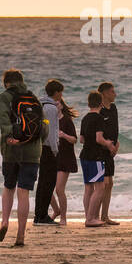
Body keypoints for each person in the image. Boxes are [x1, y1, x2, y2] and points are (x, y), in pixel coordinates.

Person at [0, 68, 47, 246]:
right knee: (23, 192)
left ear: (6, 83)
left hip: (11, 151)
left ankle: (4, 222)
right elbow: (44, 125)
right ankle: (21, 235)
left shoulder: (4, 97)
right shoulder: (34, 98)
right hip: (33, 152)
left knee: (9, 187)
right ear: (21, 81)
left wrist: (11, 137)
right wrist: (37, 142)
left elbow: (3, 120)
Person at [79, 90, 113, 228]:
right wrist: (108, 144)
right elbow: (99, 138)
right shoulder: (99, 118)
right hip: (95, 157)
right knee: (100, 187)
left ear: (88, 104)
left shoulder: (85, 118)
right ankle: (91, 218)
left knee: (88, 188)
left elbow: (81, 139)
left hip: (84, 156)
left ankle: (89, 216)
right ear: (100, 103)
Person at [33, 80, 62, 225]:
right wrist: (55, 149)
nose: (61, 95)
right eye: (61, 92)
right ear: (56, 92)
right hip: (48, 148)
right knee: (49, 182)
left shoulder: (40, 104)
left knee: (42, 182)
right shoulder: (51, 108)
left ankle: (38, 215)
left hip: (39, 146)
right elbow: (50, 131)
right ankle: (42, 215)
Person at [51, 86, 79, 226]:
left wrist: (64, 135)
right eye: (53, 105)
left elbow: (75, 139)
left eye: (57, 104)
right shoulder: (50, 122)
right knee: (47, 188)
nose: (55, 107)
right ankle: (56, 210)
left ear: (61, 105)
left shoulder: (67, 120)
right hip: (52, 157)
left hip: (65, 158)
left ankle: (63, 217)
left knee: (59, 189)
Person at [97, 82, 120, 226]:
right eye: (112, 92)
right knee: (103, 184)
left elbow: (115, 127)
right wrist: (107, 144)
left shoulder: (113, 108)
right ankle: (96, 215)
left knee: (110, 183)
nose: (115, 94)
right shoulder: (99, 109)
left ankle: (105, 216)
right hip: (101, 149)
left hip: (111, 149)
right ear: (104, 93)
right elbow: (97, 132)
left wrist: (116, 145)